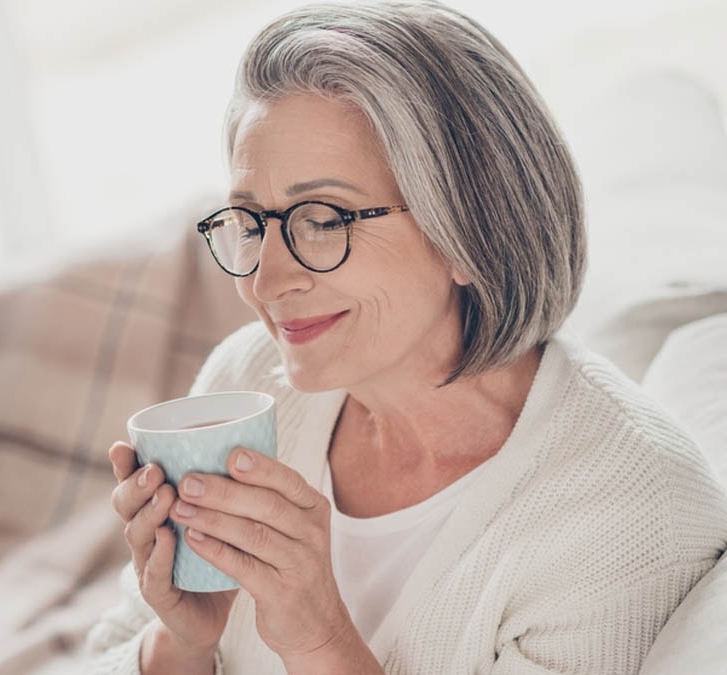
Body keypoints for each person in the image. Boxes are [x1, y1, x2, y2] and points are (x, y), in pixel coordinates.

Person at [86, 1, 727, 673]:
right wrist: (181, 641)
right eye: (251, 222)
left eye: (323, 219)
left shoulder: (630, 518)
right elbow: (104, 650)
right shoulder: (248, 379)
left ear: (471, 231)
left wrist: (317, 638)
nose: (268, 281)